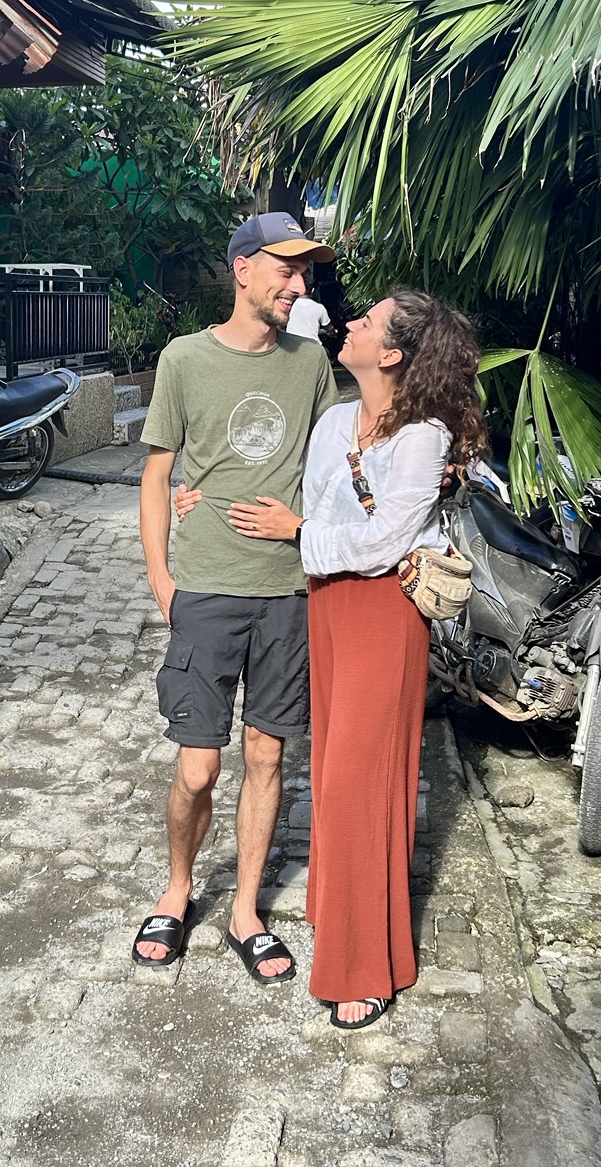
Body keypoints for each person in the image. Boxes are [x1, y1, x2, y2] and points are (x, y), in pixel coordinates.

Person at [223, 291, 487, 1028]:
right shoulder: (337, 421)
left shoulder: (424, 437)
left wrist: (300, 534)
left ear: (393, 354)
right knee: (331, 770)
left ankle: (364, 964)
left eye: (368, 322)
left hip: (383, 614)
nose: (352, 324)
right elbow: (317, 509)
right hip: (328, 604)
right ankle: (343, 912)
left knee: (357, 784)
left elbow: (383, 544)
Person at [132, 213, 339, 985]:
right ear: (243, 268)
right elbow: (158, 475)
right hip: (207, 588)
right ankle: (178, 888)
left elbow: (332, 465)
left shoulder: (310, 363)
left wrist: (307, 527)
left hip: (286, 592)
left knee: (267, 755)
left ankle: (246, 909)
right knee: (197, 768)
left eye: (305, 272)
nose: (299, 285)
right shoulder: (185, 359)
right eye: (287, 269)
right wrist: (163, 579)